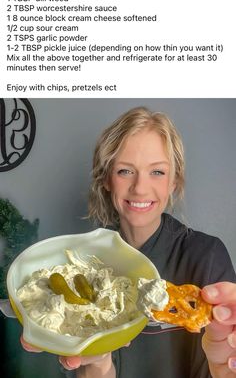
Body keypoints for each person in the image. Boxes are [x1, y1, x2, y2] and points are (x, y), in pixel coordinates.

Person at [22, 106, 236, 377]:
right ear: (107, 179)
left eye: (157, 172)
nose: (140, 188)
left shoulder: (207, 256)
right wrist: (97, 364)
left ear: (174, 181)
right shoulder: (84, 264)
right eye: (125, 171)